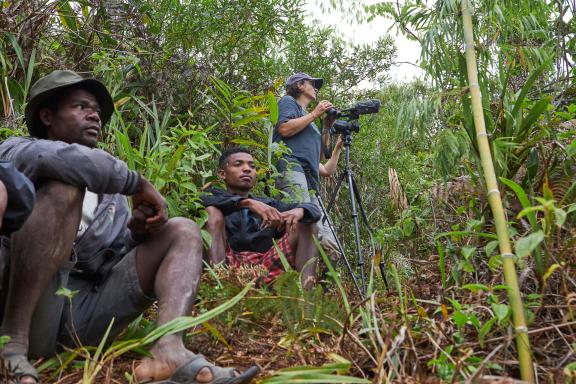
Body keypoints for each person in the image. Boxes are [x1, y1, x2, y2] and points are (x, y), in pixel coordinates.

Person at [0, 70, 259, 384]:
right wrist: (135, 182)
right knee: (64, 188)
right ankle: (11, 345)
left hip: (83, 318)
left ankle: (169, 350)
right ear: (47, 116)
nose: (94, 115)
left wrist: (137, 232)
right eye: (80, 106)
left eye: (96, 110)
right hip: (26, 308)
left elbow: (110, 260)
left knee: (183, 230)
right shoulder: (17, 149)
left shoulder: (110, 194)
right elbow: (54, 159)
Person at [203, 147, 321, 288]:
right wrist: (246, 203)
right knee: (211, 212)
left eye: (252, 166)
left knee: (306, 222)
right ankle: (217, 289)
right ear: (222, 174)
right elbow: (199, 202)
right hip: (228, 264)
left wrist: (300, 210)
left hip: (265, 266)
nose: (247, 169)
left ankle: (305, 299)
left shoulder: (269, 205)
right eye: (238, 164)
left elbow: (314, 210)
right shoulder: (214, 197)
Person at [273, 72, 342, 256]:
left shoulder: (309, 121)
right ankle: (291, 279)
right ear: (300, 86)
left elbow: (325, 168)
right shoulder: (288, 102)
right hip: (292, 169)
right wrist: (315, 113)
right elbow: (284, 128)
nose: (316, 88)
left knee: (330, 244)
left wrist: (334, 139)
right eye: (312, 84)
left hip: (311, 183)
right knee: (302, 228)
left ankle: (325, 283)